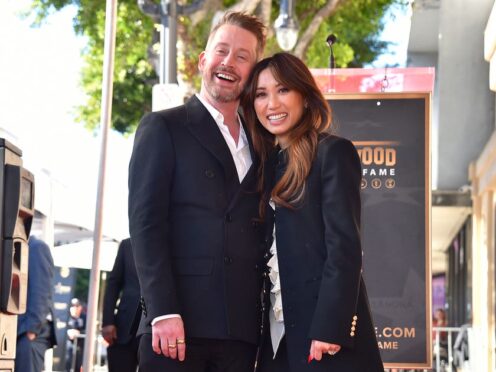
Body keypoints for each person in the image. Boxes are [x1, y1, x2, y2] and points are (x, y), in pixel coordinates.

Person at [128, 11, 267, 372]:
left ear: (252, 72)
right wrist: (162, 311)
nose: (229, 63)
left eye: (242, 57)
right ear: (204, 60)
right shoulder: (164, 127)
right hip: (177, 329)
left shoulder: (263, 142)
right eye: (222, 51)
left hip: (242, 333)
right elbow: (146, 225)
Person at [241, 52, 384, 371]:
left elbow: (344, 249)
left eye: (283, 90)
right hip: (276, 339)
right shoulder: (266, 167)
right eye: (261, 94)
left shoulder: (332, 153)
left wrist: (329, 328)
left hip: (324, 340)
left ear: (305, 96)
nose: (271, 104)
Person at [15, 236, 57, 372]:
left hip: (29, 334)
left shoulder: (36, 247)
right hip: (18, 333)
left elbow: (42, 291)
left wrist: (31, 330)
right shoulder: (14, 248)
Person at [101, 238, 140, 372]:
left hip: (159, 330)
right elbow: (113, 284)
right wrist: (107, 321)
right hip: (124, 329)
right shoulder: (127, 245)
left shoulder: (174, 240)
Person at [65, 298, 86, 372]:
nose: (74, 308)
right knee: (68, 364)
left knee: (79, 365)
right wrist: (68, 332)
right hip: (68, 347)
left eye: (76, 306)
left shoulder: (84, 317)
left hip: (80, 346)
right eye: (72, 306)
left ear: (80, 307)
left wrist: (78, 333)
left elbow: (88, 330)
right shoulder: (66, 317)